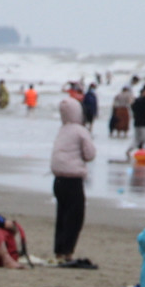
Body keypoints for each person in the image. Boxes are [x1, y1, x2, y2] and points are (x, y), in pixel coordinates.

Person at [50, 97, 97, 267]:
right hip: (73, 179)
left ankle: (59, 249)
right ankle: (68, 251)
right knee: (75, 216)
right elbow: (90, 154)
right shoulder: (80, 130)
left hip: (58, 179)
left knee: (62, 215)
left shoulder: (62, 130)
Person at [127, 84, 145, 156]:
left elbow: (132, 108)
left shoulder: (137, 100)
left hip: (137, 123)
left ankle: (129, 151)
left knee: (137, 140)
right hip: (144, 123)